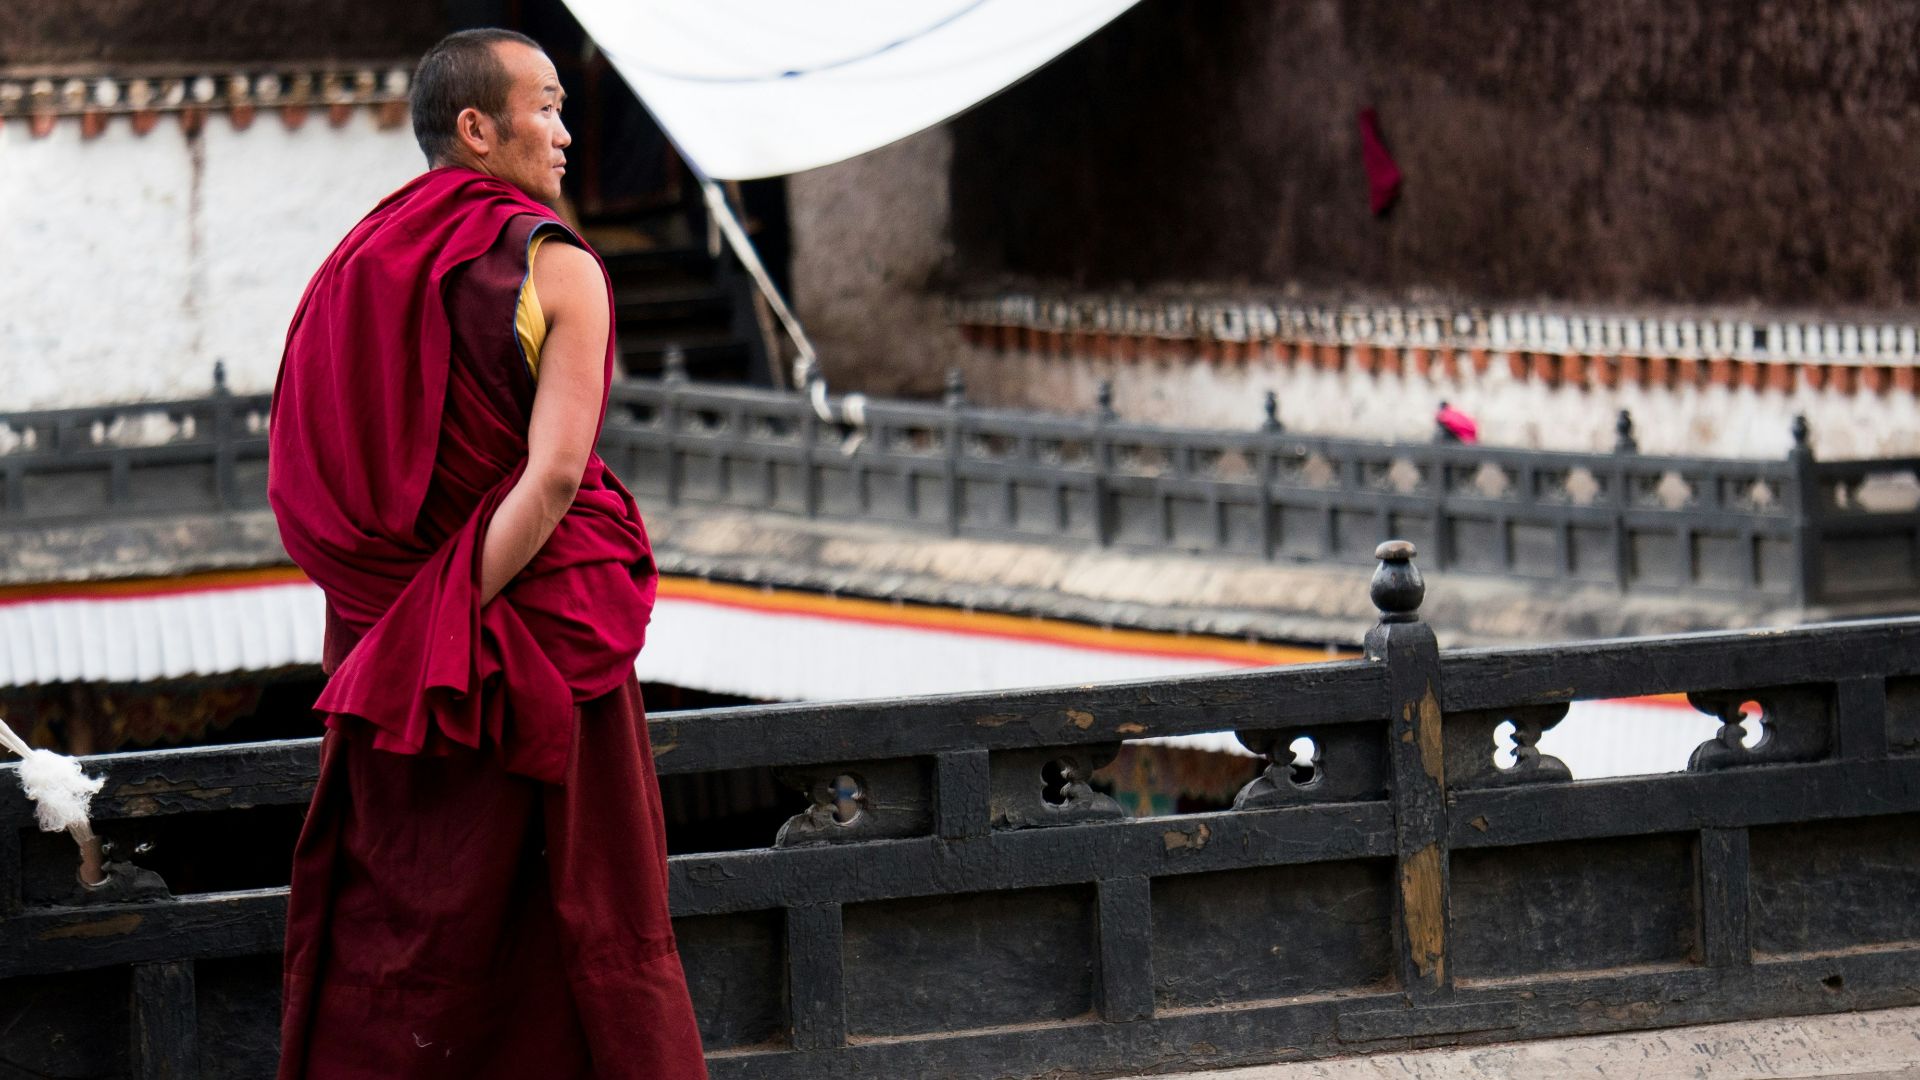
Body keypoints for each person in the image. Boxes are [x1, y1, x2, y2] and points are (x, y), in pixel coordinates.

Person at [267, 29, 708, 1079]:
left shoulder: (353, 264)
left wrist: (416, 621)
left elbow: (306, 483)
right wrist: (449, 613)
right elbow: (555, 478)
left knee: (417, 924)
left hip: (401, 670)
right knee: (584, 918)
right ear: (477, 127)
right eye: (547, 106)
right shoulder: (555, 262)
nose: (565, 131)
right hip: (525, 637)